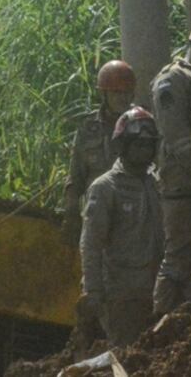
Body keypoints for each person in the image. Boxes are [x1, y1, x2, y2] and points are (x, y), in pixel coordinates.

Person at [79, 107, 163, 347]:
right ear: (123, 145)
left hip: (155, 292)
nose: (144, 150)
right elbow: (91, 244)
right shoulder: (105, 188)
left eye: (149, 145)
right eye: (138, 144)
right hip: (120, 296)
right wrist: (93, 291)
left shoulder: (158, 183)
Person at [149, 32, 191, 316]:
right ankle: (160, 321)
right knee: (177, 259)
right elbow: (176, 136)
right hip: (182, 184)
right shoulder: (173, 79)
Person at [64, 59, 136, 245]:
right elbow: (75, 176)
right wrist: (71, 213)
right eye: (116, 92)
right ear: (104, 94)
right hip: (96, 214)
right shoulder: (88, 128)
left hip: (132, 214)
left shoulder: (141, 124)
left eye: (127, 92)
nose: (122, 98)